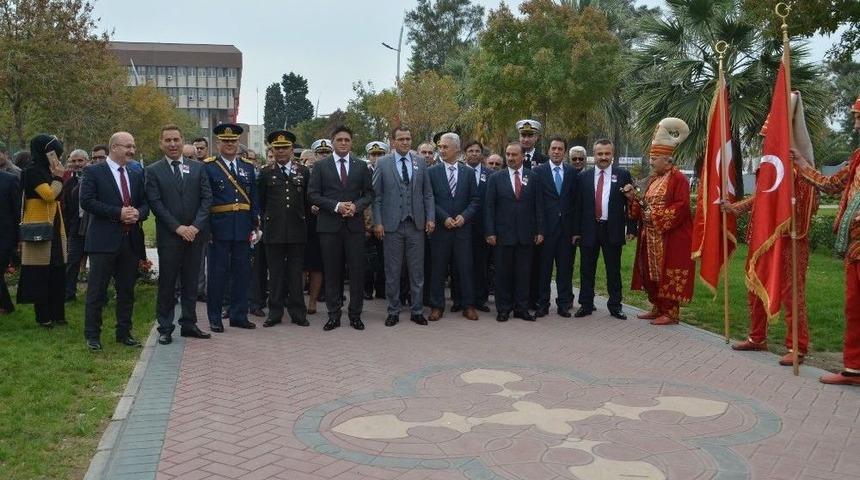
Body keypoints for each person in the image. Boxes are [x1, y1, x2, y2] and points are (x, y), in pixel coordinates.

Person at [723, 106, 815, 366]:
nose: (767, 142)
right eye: (766, 138)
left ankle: (797, 346)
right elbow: (761, 197)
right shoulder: (769, 164)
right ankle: (757, 337)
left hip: (790, 240)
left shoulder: (802, 169)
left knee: (791, 294)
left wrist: (789, 210)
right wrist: (735, 208)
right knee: (754, 286)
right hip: (762, 238)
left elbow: (811, 204)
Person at [791, 95, 860, 385]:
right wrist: (802, 164)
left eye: (859, 117)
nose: (855, 123)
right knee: (854, 306)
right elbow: (831, 185)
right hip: (856, 246)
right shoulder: (858, 157)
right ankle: (854, 368)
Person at [80, 132, 149, 349]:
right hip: (103, 241)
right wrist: (117, 213)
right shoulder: (93, 172)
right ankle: (93, 336)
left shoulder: (136, 174)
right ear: (114, 147)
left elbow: (146, 204)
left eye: (133, 146)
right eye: (128, 146)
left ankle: (124, 333)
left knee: (127, 291)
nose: (132, 150)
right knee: (97, 291)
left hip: (130, 242)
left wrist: (138, 213)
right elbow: (87, 201)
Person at [145, 124, 212, 345]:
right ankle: (165, 327)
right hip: (170, 237)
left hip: (195, 236)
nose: (173, 144)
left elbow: (206, 199)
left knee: (191, 282)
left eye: (176, 139)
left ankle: (189, 324)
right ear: (161, 143)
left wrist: (195, 226)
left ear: (183, 141)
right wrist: (178, 228)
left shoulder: (198, 168)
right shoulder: (153, 171)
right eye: (168, 140)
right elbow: (156, 204)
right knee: (167, 283)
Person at [624, 118, 694, 326]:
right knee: (649, 271)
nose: (651, 162)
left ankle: (670, 311)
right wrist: (633, 200)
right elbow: (644, 205)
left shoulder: (678, 178)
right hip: (649, 236)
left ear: (667, 160)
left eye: (655, 158)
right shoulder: (654, 179)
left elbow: (681, 206)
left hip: (668, 237)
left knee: (667, 272)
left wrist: (655, 217)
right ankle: (657, 305)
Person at [308, 125, 374, 331]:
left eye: (347, 139)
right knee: (332, 272)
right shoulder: (321, 167)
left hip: (354, 226)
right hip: (329, 226)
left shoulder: (361, 166)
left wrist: (356, 206)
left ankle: (355, 314)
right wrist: (336, 206)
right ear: (333, 142)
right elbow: (313, 194)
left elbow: (369, 194)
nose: (344, 143)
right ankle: (334, 314)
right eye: (340, 140)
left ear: (351, 142)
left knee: (356, 272)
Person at [372, 126, 435, 327]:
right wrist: (378, 222)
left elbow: (427, 194)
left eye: (408, 139)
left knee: (417, 270)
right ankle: (393, 310)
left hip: (416, 224)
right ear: (393, 141)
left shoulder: (420, 162)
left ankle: (417, 310)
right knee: (393, 270)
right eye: (401, 139)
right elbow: (376, 197)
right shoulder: (383, 163)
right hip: (392, 225)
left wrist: (430, 218)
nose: (406, 142)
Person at [571, 139, 636, 320]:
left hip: (612, 229)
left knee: (613, 270)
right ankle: (586, 304)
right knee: (586, 269)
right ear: (594, 155)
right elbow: (578, 207)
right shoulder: (583, 177)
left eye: (607, 154)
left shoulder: (623, 175)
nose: (603, 157)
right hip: (589, 229)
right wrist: (576, 231)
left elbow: (631, 204)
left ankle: (615, 306)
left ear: (612, 155)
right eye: (600, 154)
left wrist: (631, 228)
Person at [203, 123, 258, 332]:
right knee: (217, 274)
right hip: (219, 228)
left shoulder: (247, 167)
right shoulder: (208, 167)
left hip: (243, 227)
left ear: (238, 143)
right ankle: (215, 317)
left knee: (242, 273)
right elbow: (205, 200)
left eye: (233, 141)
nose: (229, 145)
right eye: (225, 141)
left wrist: (255, 223)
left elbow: (253, 198)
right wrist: (207, 228)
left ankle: (238, 315)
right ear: (218, 144)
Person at [485, 141, 544, 322]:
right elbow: (489, 207)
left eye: (514, 155)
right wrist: (490, 232)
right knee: (503, 274)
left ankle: (521, 308)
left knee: (524, 273)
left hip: (526, 235)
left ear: (522, 156)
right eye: (508, 154)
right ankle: (503, 309)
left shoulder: (533, 177)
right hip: (503, 235)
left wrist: (540, 230)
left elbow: (538, 206)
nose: (510, 158)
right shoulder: (496, 178)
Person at [258, 130, 310, 328]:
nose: (281, 151)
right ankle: (275, 312)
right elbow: (261, 202)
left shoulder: (303, 171)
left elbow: (307, 200)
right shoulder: (265, 172)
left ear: (291, 149)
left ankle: (298, 313)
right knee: (276, 274)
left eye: (285, 147)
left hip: (297, 229)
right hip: (274, 230)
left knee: (296, 274)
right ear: (272, 149)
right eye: (277, 148)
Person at [426, 133, 480, 322]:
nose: (441, 150)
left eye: (445, 147)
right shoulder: (432, 172)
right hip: (441, 230)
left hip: (462, 230)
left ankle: (468, 305)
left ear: (457, 149)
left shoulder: (468, 173)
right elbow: (430, 198)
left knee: (465, 268)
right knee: (438, 269)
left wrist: (464, 217)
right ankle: (436, 306)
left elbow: (475, 200)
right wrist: (444, 217)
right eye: (440, 147)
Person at [17, 135, 67, 327]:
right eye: (53, 153)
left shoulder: (48, 170)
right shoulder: (32, 171)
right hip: (38, 227)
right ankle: (43, 317)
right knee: (40, 274)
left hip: (54, 225)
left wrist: (56, 177)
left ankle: (58, 314)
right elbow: (49, 195)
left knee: (57, 271)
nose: (56, 158)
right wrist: (58, 178)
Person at [534, 137, 577, 318]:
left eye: (560, 149)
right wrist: (538, 230)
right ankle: (543, 304)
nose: (557, 152)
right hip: (546, 231)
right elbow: (536, 203)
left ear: (564, 152)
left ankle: (564, 304)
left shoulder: (572, 172)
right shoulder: (538, 172)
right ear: (549, 150)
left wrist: (576, 231)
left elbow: (576, 203)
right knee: (544, 270)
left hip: (566, 231)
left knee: (565, 270)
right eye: (554, 148)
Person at [463, 140, 492, 312]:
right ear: (465, 153)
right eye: (471, 150)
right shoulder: (458, 171)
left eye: (477, 151)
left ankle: (480, 299)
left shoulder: (490, 174)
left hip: (482, 227)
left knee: (481, 265)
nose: (474, 153)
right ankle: (460, 299)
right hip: (462, 224)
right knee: (462, 264)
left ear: (481, 154)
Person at [62, 149, 88, 302]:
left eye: (80, 161)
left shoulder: (94, 179)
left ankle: (100, 295)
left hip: (93, 226)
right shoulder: (69, 183)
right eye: (73, 161)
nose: (77, 164)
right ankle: (68, 294)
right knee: (72, 261)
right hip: (75, 227)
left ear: (87, 161)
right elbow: (65, 207)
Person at [363, 141, 389, 300]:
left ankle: (381, 289)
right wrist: (366, 225)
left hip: (384, 222)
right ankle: (366, 289)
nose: (377, 157)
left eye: (380, 154)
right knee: (365, 260)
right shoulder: (362, 172)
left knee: (384, 258)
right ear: (369, 156)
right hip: (365, 223)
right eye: (374, 154)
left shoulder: (389, 172)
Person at [0, 168, 21, 314]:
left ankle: (6, 306)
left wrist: (19, 238)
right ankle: (6, 305)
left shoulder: (10, 180)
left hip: (5, 235)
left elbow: (18, 210)